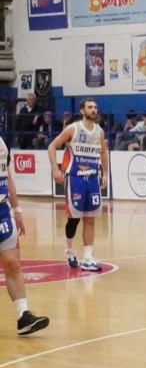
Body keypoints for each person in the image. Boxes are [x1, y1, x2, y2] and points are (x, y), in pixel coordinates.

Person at [47, 98, 108, 272]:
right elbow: (52, 146)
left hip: (92, 179)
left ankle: (88, 258)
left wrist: (105, 173)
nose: (93, 110)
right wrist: (55, 169)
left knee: (90, 218)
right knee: (74, 219)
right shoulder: (73, 129)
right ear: (82, 111)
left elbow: (104, 153)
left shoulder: (100, 131)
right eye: (90, 107)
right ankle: (69, 251)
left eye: (95, 107)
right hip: (75, 179)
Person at [0, 135, 49, 335]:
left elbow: (7, 176)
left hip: (2, 211)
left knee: (13, 263)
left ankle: (24, 316)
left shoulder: (2, 143)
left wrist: (17, 210)